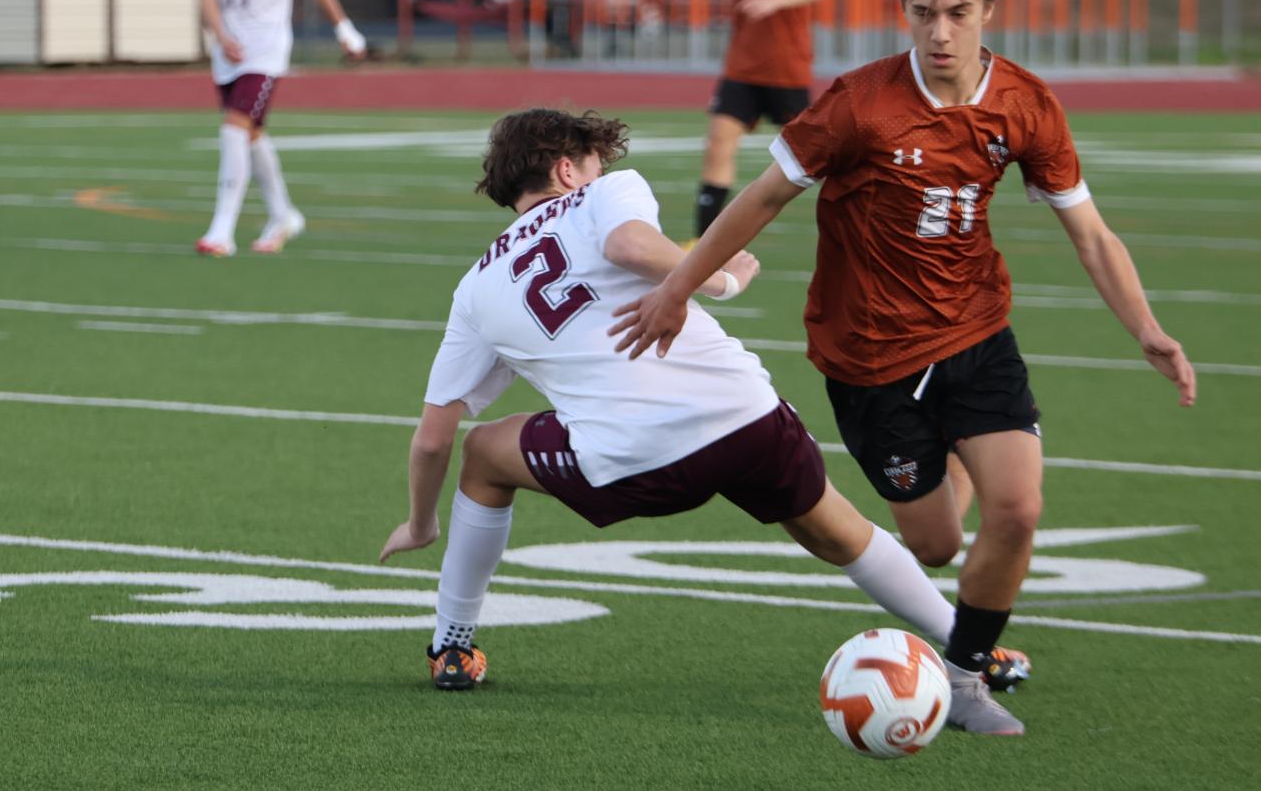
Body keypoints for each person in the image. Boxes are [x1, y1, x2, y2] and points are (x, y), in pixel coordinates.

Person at [610, 0, 1199, 735]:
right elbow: (761, 198)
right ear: (904, 11)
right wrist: (676, 286)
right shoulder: (857, 104)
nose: (939, 32)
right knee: (931, 546)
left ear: (989, 9)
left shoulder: (1026, 106)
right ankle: (955, 469)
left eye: (957, 13)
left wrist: (1146, 328)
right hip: (868, 356)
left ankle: (962, 679)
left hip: (974, 331)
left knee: (1018, 511)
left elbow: (1091, 235)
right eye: (922, 12)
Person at [379, 108, 967, 694]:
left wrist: (421, 522)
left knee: (482, 453)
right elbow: (630, 244)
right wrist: (719, 280)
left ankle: (452, 644)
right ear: (566, 170)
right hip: (745, 419)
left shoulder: (476, 287)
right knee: (839, 534)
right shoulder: (606, 192)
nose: (603, 169)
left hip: (637, 464)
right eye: (593, 160)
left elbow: (434, 438)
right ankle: (971, 645)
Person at [194, 0, 366, 257]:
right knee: (251, 135)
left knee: (234, 127)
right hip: (228, 52)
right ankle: (283, 214)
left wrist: (345, 28)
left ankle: (222, 230)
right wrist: (220, 35)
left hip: (266, 51)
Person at [694, 0, 824, 237]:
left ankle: (859, 217)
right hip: (742, 63)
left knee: (814, 154)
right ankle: (702, 240)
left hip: (785, 64)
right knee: (719, 140)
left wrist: (772, 2)